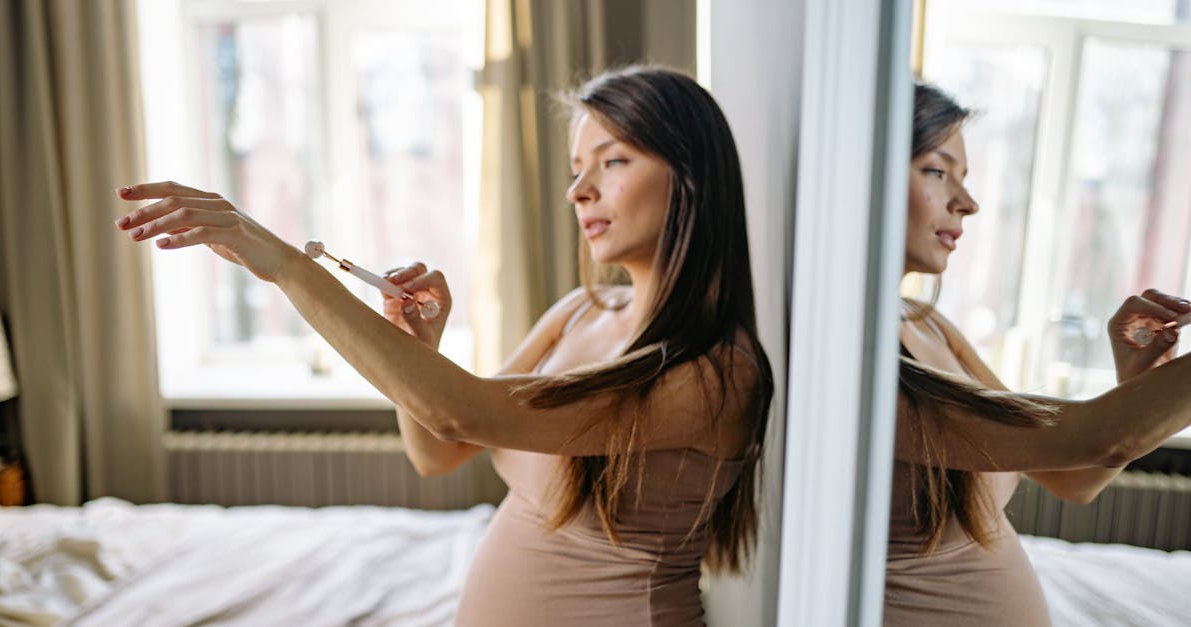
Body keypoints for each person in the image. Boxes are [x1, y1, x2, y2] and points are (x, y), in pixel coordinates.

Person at [114, 66, 773, 626]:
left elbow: (460, 410)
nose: (579, 190)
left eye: (614, 160)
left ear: (690, 176)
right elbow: (439, 449)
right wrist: (417, 345)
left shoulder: (718, 373)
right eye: (577, 169)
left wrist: (290, 267)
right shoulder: (580, 312)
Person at [885, 82, 1191, 626]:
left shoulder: (931, 325)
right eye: (937, 170)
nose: (968, 203)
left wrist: (1133, 385)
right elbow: (1104, 437)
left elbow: (1075, 478)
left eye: (965, 178)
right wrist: (1125, 414)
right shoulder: (863, 366)